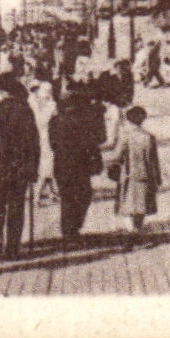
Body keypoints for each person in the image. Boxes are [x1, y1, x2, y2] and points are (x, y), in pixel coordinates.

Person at [0, 74, 41, 259]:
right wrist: (33, 169)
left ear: (3, 92)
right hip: (19, 167)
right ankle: (13, 246)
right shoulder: (26, 111)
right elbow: (34, 143)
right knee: (16, 206)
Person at [49, 90, 103, 249]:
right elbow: (93, 143)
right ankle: (71, 230)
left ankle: (71, 229)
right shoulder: (63, 121)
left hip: (66, 165)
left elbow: (53, 145)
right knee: (80, 196)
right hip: (77, 165)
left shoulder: (57, 121)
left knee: (72, 197)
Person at [107, 105, 160, 246]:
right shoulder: (149, 137)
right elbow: (155, 161)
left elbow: (117, 156)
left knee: (128, 206)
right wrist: (157, 178)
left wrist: (112, 165)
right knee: (141, 208)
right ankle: (137, 231)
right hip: (146, 176)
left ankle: (132, 235)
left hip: (129, 176)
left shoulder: (125, 136)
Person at [30, 79, 58, 205]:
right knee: (47, 168)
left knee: (46, 167)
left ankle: (53, 193)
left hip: (39, 137)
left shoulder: (35, 105)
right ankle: (37, 196)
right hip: (49, 138)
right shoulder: (52, 106)